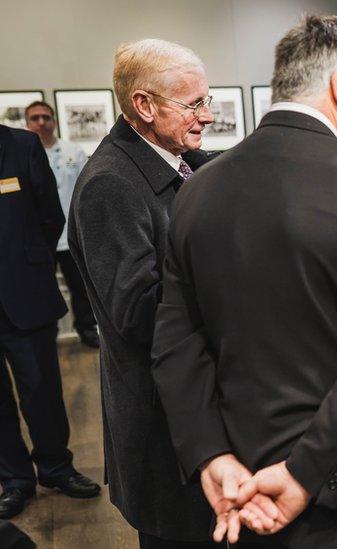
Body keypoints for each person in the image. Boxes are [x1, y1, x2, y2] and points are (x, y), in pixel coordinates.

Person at [151, 15, 337, 548]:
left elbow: (176, 343)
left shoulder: (197, 188)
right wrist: (304, 471)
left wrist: (211, 454)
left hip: (240, 480)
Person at [68, 39, 219, 548]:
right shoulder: (110, 185)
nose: (208, 115)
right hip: (165, 432)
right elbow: (139, 313)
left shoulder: (182, 159)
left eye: (208, 99)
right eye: (194, 103)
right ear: (144, 105)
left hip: (195, 417)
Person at [0, 123, 100, 520]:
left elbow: (50, 216)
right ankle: (15, 480)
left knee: (42, 391)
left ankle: (56, 468)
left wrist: (27, 266)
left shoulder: (21, 145)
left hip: (25, 294)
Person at [24, 101, 98, 348]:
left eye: (46, 116)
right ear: (27, 122)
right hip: (40, 238)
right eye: (35, 118)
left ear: (54, 121)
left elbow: (86, 189)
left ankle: (87, 330)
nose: (41, 122)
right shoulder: (22, 154)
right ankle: (48, 332)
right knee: (42, 289)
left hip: (71, 234)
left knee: (80, 288)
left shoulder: (72, 151)